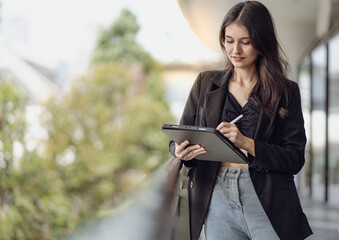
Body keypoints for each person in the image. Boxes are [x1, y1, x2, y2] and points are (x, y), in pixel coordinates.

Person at [169, 1, 313, 240]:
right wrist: (179, 151)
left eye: (245, 42)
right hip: (216, 198)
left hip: (267, 199)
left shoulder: (285, 92)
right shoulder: (206, 84)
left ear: (261, 42)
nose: (235, 50)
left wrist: (247, 143)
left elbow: (294, 158)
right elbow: (180, 138)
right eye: (229, 40)